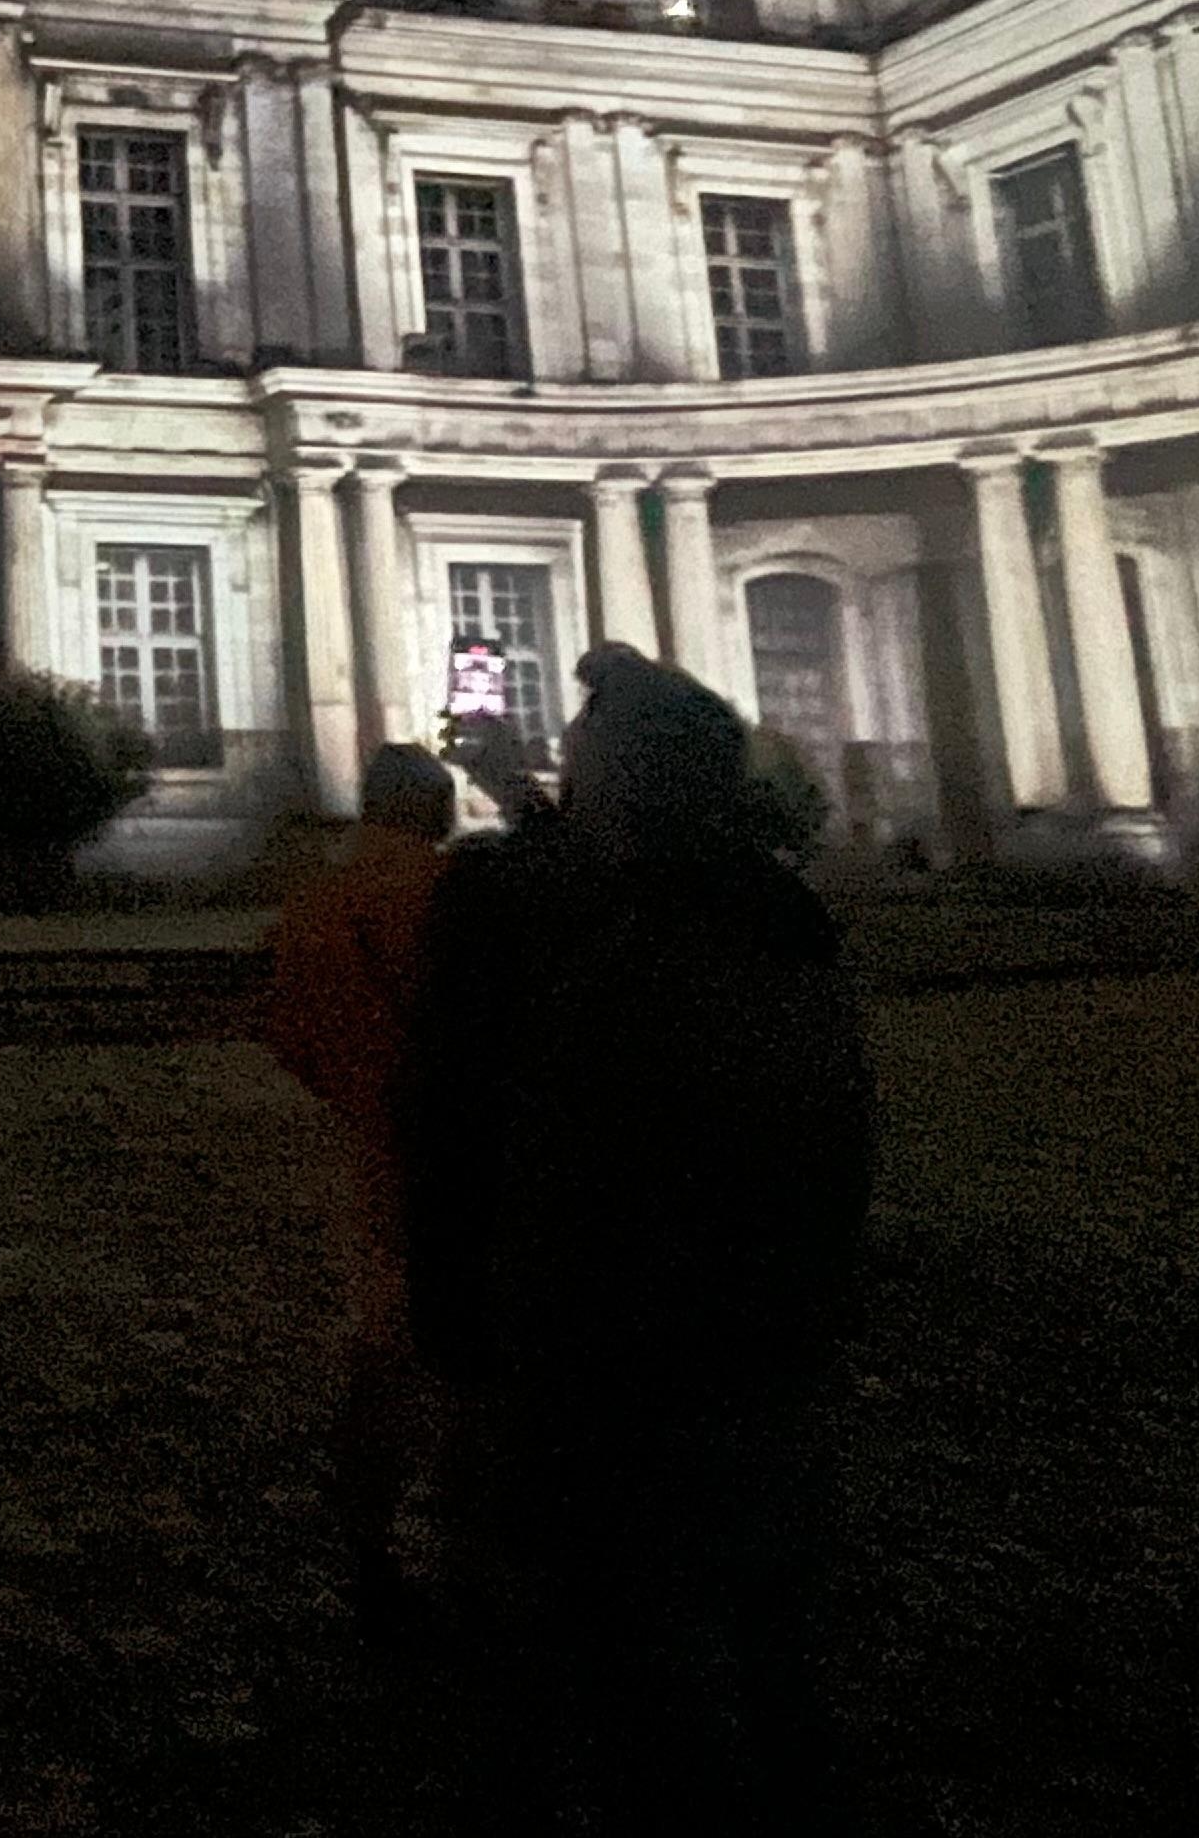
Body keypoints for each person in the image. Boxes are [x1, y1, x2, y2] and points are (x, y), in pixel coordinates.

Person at [406, 644, 878, 1830]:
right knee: (765, 1655)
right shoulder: (781, 926)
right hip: (771, 1358)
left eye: (590, 767)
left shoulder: (611, 937)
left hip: (614, 1370)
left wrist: (471, 1330)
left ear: (620, 791)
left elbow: (506, 1142)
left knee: (616, 1667)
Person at [260, 742, 466, 1640]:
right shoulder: (449, 891)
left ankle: (369, 1543)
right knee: (475, 1360)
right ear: (435, 808)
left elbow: (290, 1035)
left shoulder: (315, 901)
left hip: (374, 1147)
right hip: (461, 1146)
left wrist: (359, 1088)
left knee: (384, 1351)